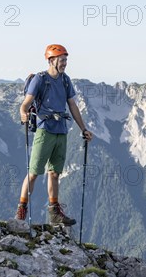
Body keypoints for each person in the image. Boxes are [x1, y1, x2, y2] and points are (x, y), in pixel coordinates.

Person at [16, 44, 93, 225]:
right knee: (34, 172)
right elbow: (26, 103)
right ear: (51, 60)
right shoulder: (40, 79)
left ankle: (54, 212)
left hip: (61, 130)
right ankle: (21, 210)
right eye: (62, 60)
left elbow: (72, 105)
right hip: (45, 130)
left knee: (55, 173)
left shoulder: (65, 80)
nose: (65, 63)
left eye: (66, 60)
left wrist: (84, 129)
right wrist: (23, 113)